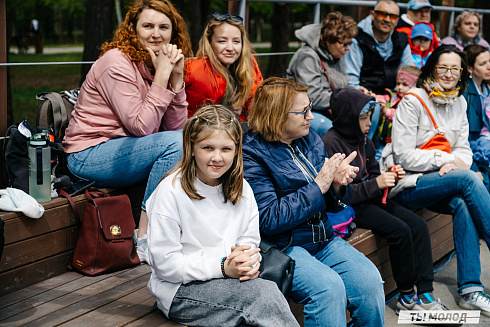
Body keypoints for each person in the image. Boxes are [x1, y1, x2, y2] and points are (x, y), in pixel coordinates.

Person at [243, 77, 385, 327]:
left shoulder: (310, 139)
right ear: (278, 114)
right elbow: (269, 219)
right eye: (304, 111)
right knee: (328, 290)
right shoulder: (252, 155)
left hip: (323, 238)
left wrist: (337, 184)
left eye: (310, 108)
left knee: (370, 280)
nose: (312, 116)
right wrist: (319, 185)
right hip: (284, 247)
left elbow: (330, 203)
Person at [62, 0, 193, 263]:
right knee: (176, 144)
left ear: (173, 33)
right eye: (148, 26)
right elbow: (142, 126)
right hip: (89, 153)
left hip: (127, 149)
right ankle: (144, 234)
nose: (156, 33)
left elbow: (177, 130)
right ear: (133, 30)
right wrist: (162, 77)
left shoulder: (153, 63)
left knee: (190, 142)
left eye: (163, 27)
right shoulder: (116, 63)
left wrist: (176, 83)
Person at [146, 105, 299, 327]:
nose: (217, 157)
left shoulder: (242, 188)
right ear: (191, 147)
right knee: (263, 295)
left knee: (260, 301)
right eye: (208, 147)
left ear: (236, 150)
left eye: (226, 149)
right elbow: (164, 264)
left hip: (230, 281)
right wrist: (221, 267)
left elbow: (249, 241)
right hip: (179, 290)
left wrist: (247, 261)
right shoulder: (170, 191)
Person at [323, 88, 448, 315]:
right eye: (363, 118)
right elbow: (340, 193)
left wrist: (389, 176)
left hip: (370, 198)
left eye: (370, 117)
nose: (369, 123)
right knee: (399, 231)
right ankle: (407, 296)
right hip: (350, 206)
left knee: (417, 225)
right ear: (349, 117)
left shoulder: (365, 141)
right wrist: (376, 184)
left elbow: (371, 175)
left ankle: (425, 290)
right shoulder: (331, 142)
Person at [387, 44, 490, 317]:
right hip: (409, 183)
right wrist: (441, 160)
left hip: (446, 179)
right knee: (469, 180)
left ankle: (470, 291)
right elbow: (404, 155)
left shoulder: (460, 101)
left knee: (462, 202)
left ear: (462, 73)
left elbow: (463, 148)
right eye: (442, 67)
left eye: (454, 69)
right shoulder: (412, 101)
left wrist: (455, 162)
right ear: (432, 68)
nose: (448, 74)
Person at [286, 11, 360, 136]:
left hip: (331, 108)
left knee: (369, 110)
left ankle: (365, 152)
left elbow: (342, 86)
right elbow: (312, 96)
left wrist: (357, 93)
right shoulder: (307, 56)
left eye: (350, 43)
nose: (348, 48)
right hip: (305, 111)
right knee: (332, 129)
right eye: (344, 44)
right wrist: (346, 99)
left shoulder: (336, 53)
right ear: (329, 40)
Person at [185, 14, 263, 121]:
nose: (230, 48)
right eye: (222, 41)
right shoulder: (192, 70)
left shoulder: (250, 66)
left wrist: (244, 110)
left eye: (236, 41)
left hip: (241, 130)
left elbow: (259, 108)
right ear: (210, 42)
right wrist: (225, 111)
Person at [344, 0, 414, 96]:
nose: (387, 20)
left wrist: (392, 100)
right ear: (373, 15)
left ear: (397, 21)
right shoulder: (357, 40)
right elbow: (351, 82)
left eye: (393, 16)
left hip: (393, 98)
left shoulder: (402, 41)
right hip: (363, 98)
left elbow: (409, 76)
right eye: (382, 14)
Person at [374, 65, 421, 159]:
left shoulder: (415, 103)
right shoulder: (392, 97)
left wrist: (386, 111)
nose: (399, 87)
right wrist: (373, 97)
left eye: (404, 85)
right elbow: (381, 98)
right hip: (383, 141)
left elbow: (402, 116)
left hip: (399, 144)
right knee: (377, 158)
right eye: (398, 83)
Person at [463, 44, 490, 190]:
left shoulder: (487, 90)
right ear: (470, 68)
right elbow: (461, 137)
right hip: (472, 157)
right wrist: (473, 168)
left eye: (489, 61)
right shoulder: (464, 94)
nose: (489, 66)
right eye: (483, 63)